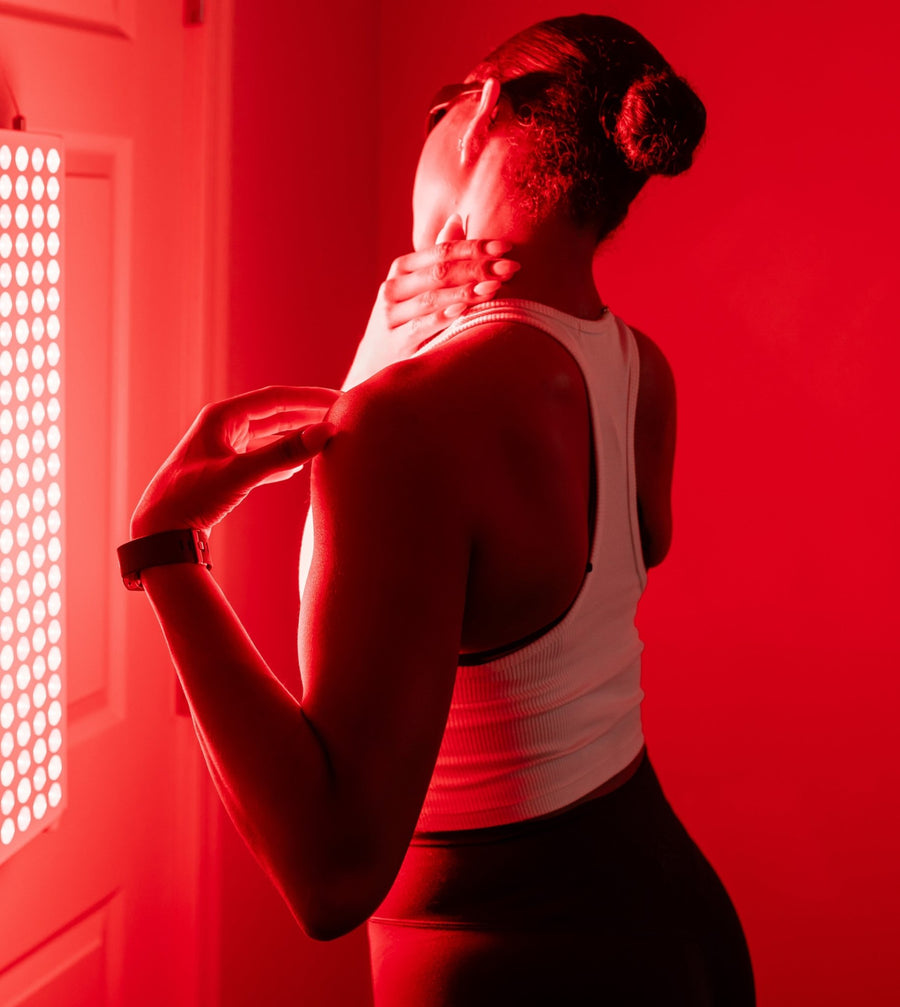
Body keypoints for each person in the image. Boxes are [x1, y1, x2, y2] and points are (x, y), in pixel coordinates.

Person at [121, 14, 755, 1006]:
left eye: (439, 107)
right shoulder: (638, 369)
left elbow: (332, 871)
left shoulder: (413, 422)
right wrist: (385, 361)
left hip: (518, 967)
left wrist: (163, 544)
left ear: (481, 110)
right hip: (675, 917)